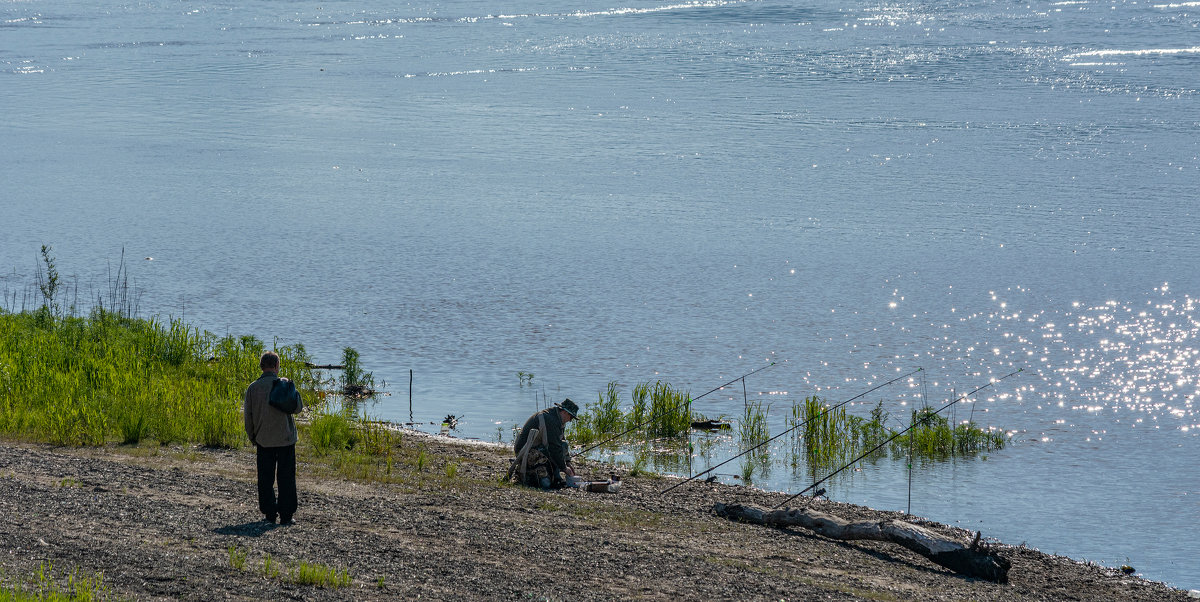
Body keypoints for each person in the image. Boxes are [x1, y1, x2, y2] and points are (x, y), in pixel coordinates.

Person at [243, 351, 303, 525]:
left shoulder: (253, 388)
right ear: (277, 366)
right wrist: (291, 386)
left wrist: (252, 436)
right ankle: (286, 515)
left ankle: (269, 513)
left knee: (265, 478)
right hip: (285, 439)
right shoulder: (284, 384)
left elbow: (248, 417)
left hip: (263, 439)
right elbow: (298, 408)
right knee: (286, 477)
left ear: (262, 367)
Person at [510, 398, 578, 488]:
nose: (570, 420)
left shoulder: (558, 419)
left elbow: (560, 442)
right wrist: (564, 468)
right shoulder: (550, 420)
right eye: (571, 417)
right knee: (546, 484)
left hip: (538, 448)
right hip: (525, 450)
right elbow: (553, 447)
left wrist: (568, 462)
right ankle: (550, 477)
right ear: (565, 412)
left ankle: (556, 477)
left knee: (563, 445)